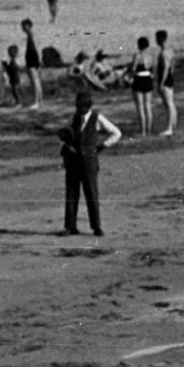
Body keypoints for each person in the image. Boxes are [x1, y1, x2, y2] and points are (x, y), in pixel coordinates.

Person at [58, 90, 122, 236]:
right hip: (73, 161)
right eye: (78, 106)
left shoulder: (97, 118)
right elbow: (62, 135)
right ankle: (70, 226)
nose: (80, 109)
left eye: (82, 106)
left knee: (91, 193)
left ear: (88, 106)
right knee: (71, 193)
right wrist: (67, 146)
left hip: (89, 161)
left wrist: (102, 146)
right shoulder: (73, 118)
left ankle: (96, 226)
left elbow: (116, 133)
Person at [151, 29, 178, 137]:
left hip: (165, 79)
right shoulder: (170, 50)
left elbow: (166, 68)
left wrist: (161, 83)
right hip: (169, 78)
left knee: (169, 104)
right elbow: (172, 66)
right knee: (171, 103)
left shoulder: (163, 52)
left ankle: (169, 128)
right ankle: (173, 125)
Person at [127, 33, 155, 132]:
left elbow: (133, 69)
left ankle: (142, 130)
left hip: (139, 79)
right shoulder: (150, 56)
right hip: (148, 79)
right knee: (148, 106)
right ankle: (149, 129)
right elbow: (152, 70)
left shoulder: (137, 55)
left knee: (140, 107)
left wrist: (129, 77)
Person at [21, 19, 45, 108]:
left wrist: (37, 62)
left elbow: (34, 49)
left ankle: (36, 102)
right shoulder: (29, 35)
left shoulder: (31, 35)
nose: (23, 28)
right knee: (36, 82)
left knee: (35, 82)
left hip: (32, 60)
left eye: (24, 26)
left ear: (29, 26)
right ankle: (40, 101)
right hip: (32, 60)